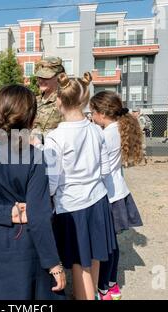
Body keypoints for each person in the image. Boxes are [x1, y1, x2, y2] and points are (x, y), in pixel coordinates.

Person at [0, 84, 66, 300]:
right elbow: (38, 217)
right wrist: (54, 264)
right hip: (24, 254)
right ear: (31, 118)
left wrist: (4, 212)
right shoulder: (35, 157)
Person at [40, 72, 117, 300]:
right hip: (98, 201)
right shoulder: (97, 130)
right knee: (93, 258)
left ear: (59, 101)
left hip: (73, 207)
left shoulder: (54, 137)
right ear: (85, 101)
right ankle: (90, 295)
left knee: (78, 263)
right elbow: (105, 170)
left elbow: (52, 181)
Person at [89, 91, 144, 300]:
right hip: (118, 192)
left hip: (108, 195)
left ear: (102, 113)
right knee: (112, 243)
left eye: (93, 112)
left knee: (106, 245)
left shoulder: (105, 134)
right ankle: (111, 285)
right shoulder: (119, 127)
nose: (91, 116)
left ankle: (104, 286)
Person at [32, 57, 65, 141]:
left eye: (46, 77)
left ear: (59, 78)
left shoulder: (63, 101)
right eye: (39, 77)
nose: (41, 80)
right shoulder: (35, 100)